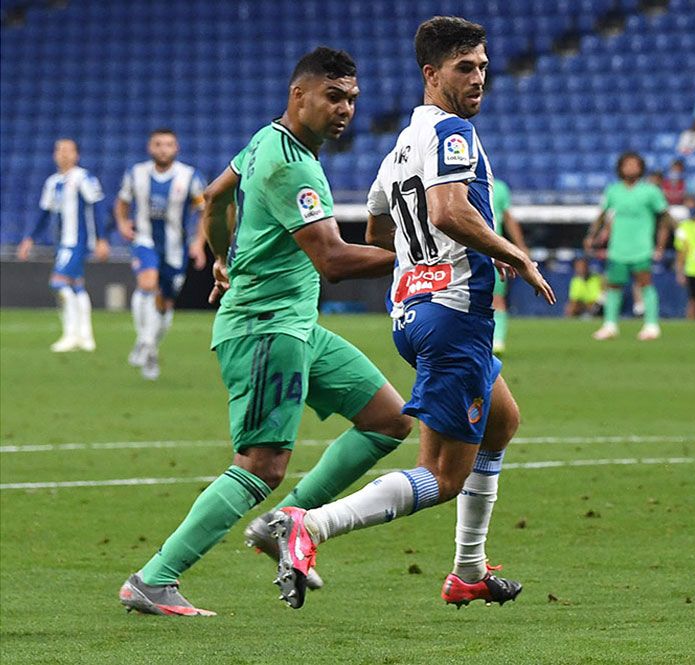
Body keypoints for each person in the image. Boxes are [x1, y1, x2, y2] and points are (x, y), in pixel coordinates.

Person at [270, 17, 555, 611]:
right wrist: (514, 255)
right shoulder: (452, 134)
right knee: (442, 477)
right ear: (431, 74)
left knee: (500, 422)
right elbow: (449, 212)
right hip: (454, 315)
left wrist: (414, 268)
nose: (479, 78)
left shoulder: (397, 151)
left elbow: (378, 231)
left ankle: (468, 570)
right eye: (464, 68)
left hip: (412, 313)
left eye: (482, 65)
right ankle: (310, 526)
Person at [118, 47, 413, 617]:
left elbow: (214, 197)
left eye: (352, 98)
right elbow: (331, 259)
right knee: (261, 463)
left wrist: (223, 258)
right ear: (299, 95)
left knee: (389, 418)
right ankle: (155, 577)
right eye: (334, 97)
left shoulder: (267, 140)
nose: (346, 109)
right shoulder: (294, 166)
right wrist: (427, 256)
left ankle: (285, 525)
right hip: (265, 329)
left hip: (297, 324)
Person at [114, 128, 207, 379]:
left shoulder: (189, 177)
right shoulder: (136, 174)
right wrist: (123, 224)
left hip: (175, 248)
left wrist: (198, 243)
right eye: (158, 144)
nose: (163, 149)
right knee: (147, 282)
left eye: (168, 144)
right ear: (150, 148)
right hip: (144, 241)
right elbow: (122, 203)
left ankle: (151, 349)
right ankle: (144, 340)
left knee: (165, 305)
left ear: (176, 148)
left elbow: (204, 212)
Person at [17, 138, 108, 353]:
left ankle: (71, 334)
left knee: (58, 283)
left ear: (77, 154)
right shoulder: (52, 182)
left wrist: (101, 239)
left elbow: (97, 207)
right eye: (60, 150)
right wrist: (29, 238)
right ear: (54, 155)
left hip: (76, 242)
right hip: (61, 243)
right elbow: (44, 214)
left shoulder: (84, 178)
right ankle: (85, 337)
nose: (64, 154)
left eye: (69, 150)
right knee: (76, 286)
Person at [586, 151, 671, 341]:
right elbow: (603, 214)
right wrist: (592, 235)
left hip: (641, 246)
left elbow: (665, 217)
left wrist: (661, 244)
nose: (630, 168)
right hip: (618, 247)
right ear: (620, 168)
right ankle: (610, 325)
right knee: (613, 286)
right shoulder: (613, 190)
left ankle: (651, 325)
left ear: (641, 168)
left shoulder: (650, 191)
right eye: (627, 164)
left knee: (645, 283)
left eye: (634, 164)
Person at [489, 176, 529, 354]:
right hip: (465, 249)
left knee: (497, 296)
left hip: (493, 249)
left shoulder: (499, 187)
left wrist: (520, 247)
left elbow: (508, 218)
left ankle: (497, 341)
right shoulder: (460, 184)